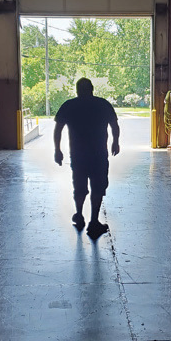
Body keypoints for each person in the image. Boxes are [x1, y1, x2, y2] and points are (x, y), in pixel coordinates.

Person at [54, 78, 120, 239]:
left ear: (77, 90)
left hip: (78, 155)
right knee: (98, 187)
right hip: (98, 154)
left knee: (79, 186)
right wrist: (115, 143)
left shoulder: (69, 106)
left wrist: (57, 150)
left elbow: (58, 129)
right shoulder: (103, 104)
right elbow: (114, 125)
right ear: (92, 89)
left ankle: (79, 215)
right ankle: (94, 221)